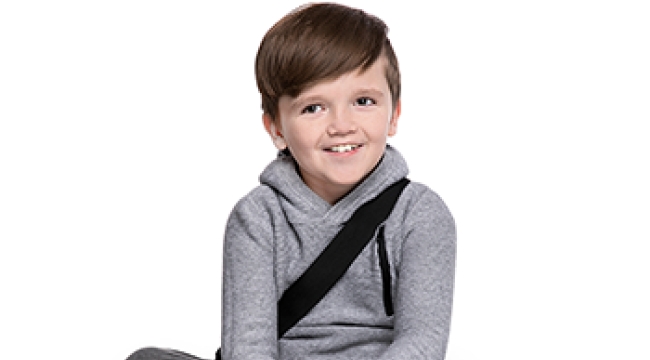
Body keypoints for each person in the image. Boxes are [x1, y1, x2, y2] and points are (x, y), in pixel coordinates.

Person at [126, 2, 455, 360]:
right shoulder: (257, 216)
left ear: (394, 116)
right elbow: (249, 347)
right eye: (313, 107)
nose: (341, 125)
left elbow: (421, 344)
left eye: (363, 101)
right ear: (277, 129)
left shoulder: (420, 214)